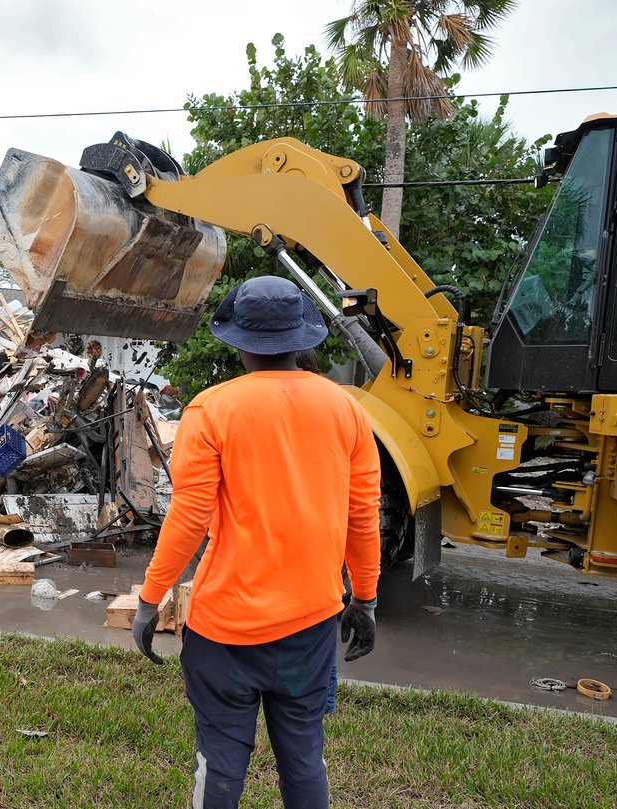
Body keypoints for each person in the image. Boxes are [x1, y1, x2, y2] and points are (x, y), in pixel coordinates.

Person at [132, 276, 381, 809]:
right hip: (310, 627)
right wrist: (365, 598)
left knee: (219, 762)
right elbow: (363, 517)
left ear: (240, 342)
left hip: (224, 630)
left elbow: (189, 517)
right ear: (302, 339)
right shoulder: (348, 411)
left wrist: (151, 599)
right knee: (304, 760)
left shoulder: (211, 410)